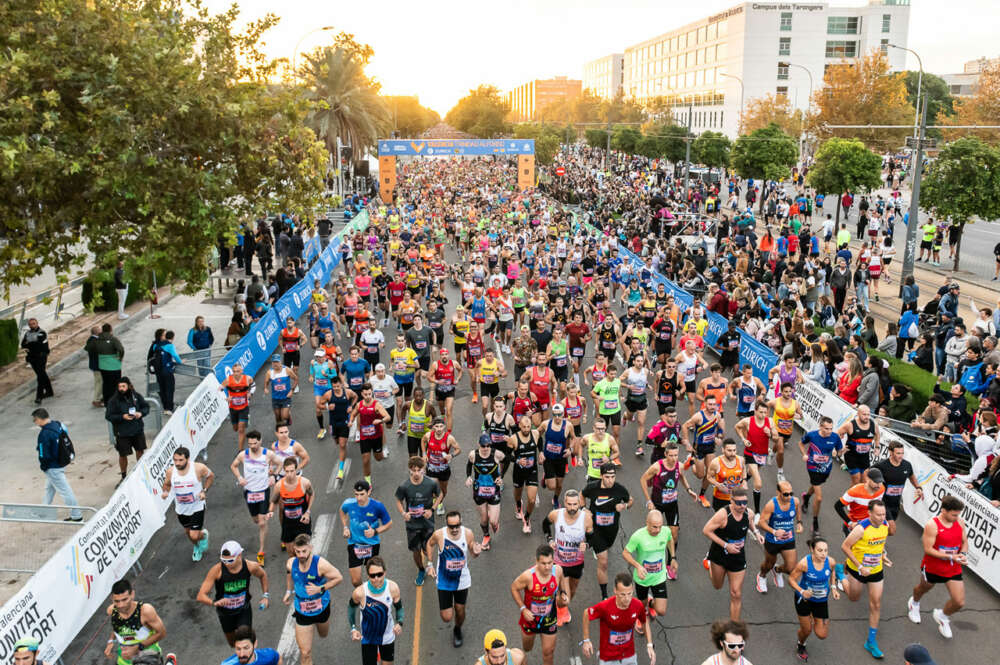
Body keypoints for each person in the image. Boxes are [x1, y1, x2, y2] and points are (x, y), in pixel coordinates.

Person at [907, 494, 968, 639]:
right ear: (944, 511)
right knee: (923, 589)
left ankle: (943, 616)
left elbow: (964, 541)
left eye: (958, 514)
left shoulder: (960, 522)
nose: (956, 517)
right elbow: (928, 549)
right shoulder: (932, 525)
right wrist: (950, 556)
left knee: (959, 602)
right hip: (933, 567)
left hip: (953, 568)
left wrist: (963, 553)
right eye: (954, 514)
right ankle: (914, 603)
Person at [841, 500, 892, 659]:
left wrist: (883, 556)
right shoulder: (861, 529)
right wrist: (859, 566)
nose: (881, 517)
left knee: (876, 603)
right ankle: (841, 576)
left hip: (876, 569)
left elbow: (880, 544)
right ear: (869, 513)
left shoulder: (885, 525)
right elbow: (845, 546)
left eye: (883, 514)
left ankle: (870, 641)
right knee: (854, 597)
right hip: (857, 569)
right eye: (878, 514)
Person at [703, 488, 764, 621]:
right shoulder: (723, 515)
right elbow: (706, 530)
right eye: (739, 503)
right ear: (731, 501)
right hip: (719, 555)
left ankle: (734, 627)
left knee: (736, 593)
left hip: (738, 557)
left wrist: (757, 533)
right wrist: (726, 545)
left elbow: (750, 523)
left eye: (745, 502)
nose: (742, 506)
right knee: (717, 585)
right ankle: (710, 563)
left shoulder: (749, 513)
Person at [195, 541, 269, 647]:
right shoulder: (217, 570)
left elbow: (263, 575)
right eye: (223, 560)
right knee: (233, 643)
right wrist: (214, 602)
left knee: (245, 640)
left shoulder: (250, 566)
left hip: (244, 609)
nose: (227, 563)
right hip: (225, 613)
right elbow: (200, 595)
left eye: (230, 560)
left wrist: (265, 596)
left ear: (239, 555)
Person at [425, 510, 482, 647]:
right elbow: (429, 544)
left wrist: (476, 551)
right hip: (444, 580)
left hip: (461, 580)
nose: (455, 529)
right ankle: (449, 607)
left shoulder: (467, 533)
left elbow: (472, 552)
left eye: (457, 525)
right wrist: (429, 564)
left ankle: (457, 629)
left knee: (460, 610)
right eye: (452, 526)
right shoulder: (439, 535)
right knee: (446, 617)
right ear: (447, 525)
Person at [284, 533, 342, 665]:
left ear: (310, 548)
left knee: (323, 634)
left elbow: (339, 577)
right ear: (294, 549)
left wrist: (321, 588)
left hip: (321, 608)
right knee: (305, 652)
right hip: (302, 611)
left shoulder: (320, 564)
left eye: (304, 551)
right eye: (298, 551)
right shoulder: (291, 563)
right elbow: (289, 573)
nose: (301, 555)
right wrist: (288, 591)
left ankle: (317, 626)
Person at [509, 544, 570, 665]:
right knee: (527, 648)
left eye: (550, 562)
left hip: (549, 618)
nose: (547, 567)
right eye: (543, 563)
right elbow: (514, 588)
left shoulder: (557, 570)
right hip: (530, 619)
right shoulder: (528, 576)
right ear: (536, 561)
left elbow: (561, 579)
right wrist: (523, 609)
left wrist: (563, 593)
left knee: (549, 652)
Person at [543, 489, 593, 625]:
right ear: (564, 503)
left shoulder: (586, 518)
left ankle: (561, 603)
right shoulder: (556, 514)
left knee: (573, 589)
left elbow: (591, 536)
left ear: (579, 504)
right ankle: (560, 607)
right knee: (565, 597)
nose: (572, 508)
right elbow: (545, 524)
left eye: (575, 504)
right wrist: (550, 539)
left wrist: (587, 544)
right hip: (560, 563)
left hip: (577, 563)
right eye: (569, 504)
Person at [582, 463, 632, 598]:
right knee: (603, 562)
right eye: (607, 477)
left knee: (607, 548)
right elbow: (582, 495)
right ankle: (604, 595)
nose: (610, 480)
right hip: (595, 529)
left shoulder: (619, 489)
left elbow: (630, 500)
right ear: (601, 476)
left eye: (613, 477)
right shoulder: (592, 487)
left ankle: (600, 549)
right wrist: (583, 508)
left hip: (612, 530)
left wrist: (624, 505)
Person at [581, 572, 654, 665]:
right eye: (622, 594)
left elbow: (644, 622)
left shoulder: (638, 605)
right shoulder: (605, 607)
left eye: (629, 593)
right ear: (615, 590)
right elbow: (586, 613)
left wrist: (649, 645)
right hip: (608, 656)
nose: (627, 598)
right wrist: (586, 640)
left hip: (628, 655)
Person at [230, 431, 278, 564]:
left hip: (263, 491)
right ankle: (260, 521)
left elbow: (279, 463)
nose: (252, 446)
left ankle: (261, 551)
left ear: (260, 441)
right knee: (256, 520)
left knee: (262, 523)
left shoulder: (267, 454)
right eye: (250, 443)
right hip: (249, 492)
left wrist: (273, 475)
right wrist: (239, 477)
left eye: (255, 443)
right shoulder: (243, 455)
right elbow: (233, 466)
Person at [788, 536, 840, 662]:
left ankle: (814, 616)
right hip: (804, 599)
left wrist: (833, 587)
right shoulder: (804, 564)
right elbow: (791, 579)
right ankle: (801, 644)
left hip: (821, 601)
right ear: (812, 550)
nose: (823, 554)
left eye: (826, 550)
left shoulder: (830, 561)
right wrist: (802, 591)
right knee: (807, 630)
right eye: (820, 550)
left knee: (822, 634)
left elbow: (833, 571)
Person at [161, 446, 214, 561]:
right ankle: (196, 546)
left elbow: (210, 476)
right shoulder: (171, 471)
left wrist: (204, 491)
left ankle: (203, 536)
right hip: (181, 509)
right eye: (175, 460)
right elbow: (167, 484)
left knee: (193, 535)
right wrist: (165, 492)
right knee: (188, 532)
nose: (177, 463)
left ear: (188, 459)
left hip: (197, 506)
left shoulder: (198, 468)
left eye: (180, 460)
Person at [394, 456, 441, 586]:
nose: (416, 473)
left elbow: (440, 494)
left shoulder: (430, 483)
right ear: (409, 470)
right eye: (413, 470)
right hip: (412, 525)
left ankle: (431, 566)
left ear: (423, 470)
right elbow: (398, 500)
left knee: (428, 548)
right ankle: (421, 570)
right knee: (416, 551)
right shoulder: (404, 486)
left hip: (427, 523)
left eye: (418, 470)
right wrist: (404, 513)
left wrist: (432, 509)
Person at [349, 556, 403, 665]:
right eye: (372, 576)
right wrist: (353, 629)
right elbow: (351, 608)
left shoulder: (393, 588)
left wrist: (400, 623)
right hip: (368, 638)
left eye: (380, 574)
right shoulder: (360, 592)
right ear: (368, 575)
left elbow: (399, 608)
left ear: (385, 572)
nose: (376, 578)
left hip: (387, 636)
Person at [339, 479, 393, 587]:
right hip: (354, 544)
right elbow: (342, 511)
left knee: (373, 578)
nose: (359, 498)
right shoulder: (349, 503)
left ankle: (372, 596)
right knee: (355, 581)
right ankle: (364, 594)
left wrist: (375, 531)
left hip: (372, 544)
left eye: (362, 494)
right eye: (356, 494)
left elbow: (389, 523)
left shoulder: (378, 506)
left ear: (368, 492)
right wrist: (345, 527)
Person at [623, 509, 675, 620]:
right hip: (643, 578)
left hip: (659, 577)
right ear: (647, 523)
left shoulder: (665, 531)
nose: (658, 530)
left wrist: (673, 557)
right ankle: (642, 614)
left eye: (660, 526)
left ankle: (651, 603)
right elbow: (625, 553)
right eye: (654, 527)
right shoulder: (638, 536)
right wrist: (637, 566)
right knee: (642, 605)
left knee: (661, 611)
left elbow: (670, 540)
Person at [31, 408, 82, 521]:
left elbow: (43, 454)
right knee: (49, 488)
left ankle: (77, 515)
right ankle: (44, 511)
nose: (35, 422)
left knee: (65, 491)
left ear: (39, 419)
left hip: (53, 467)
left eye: (35, 420)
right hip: (61, 461)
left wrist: (43, 467)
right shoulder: (58, 424)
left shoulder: (44, 434)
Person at [104, 579, 167, 665]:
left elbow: (162, 633)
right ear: (112, 598)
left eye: (124, 599)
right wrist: (110, 641)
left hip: (148, 654)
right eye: (117, 601)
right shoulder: (111, 610)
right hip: (125, 657)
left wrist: (136, 648)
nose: (121, 605)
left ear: (132, 594)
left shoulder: (145, 611)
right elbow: (117, 627)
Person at [755, 481, 803, 594]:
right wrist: (774, 531)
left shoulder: (795, 501)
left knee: (791, 568)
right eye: (786, 494)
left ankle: (777, 570)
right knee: (768, 564)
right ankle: (761, 576)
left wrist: (799, 522)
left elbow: (798, 510)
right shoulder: (771, 505)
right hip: (773, 540)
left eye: (791, 493)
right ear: (778, 492)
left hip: (788, 539)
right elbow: (761, 522)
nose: (789, 496)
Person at [798, 417, 844, 534]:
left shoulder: (835, 437)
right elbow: (801, 443)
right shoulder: (812, 435)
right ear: (820, 426)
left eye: (831, 429)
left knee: (815, 485)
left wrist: (840, 452)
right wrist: (804, 454)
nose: (829, 431)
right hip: (812, 466)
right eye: (826, 429)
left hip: (826, 468)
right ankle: (815, 522)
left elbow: (839, 452)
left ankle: (807, 496)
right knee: (819, 497)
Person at [681, 394, 725, 508]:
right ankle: (692, 461)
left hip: (710, 447)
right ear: (705, 404)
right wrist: (687, 443)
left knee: (710, 473)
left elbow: (720, 429)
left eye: (714, 404)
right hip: (698, 448)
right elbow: (685, 426)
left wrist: (719, 437)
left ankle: (702, 495)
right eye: (710, 404)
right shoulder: (698, 416)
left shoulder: (717, 415)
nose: (712, 406)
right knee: (701, 475)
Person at [105, 377, 150, 485]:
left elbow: (146, 407)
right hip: (122, 433)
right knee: (122, 455)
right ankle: (124, 476)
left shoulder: (136, 396)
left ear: (129, 386)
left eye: (123, 386)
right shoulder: (113, 400)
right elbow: (109, 416)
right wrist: (122, 416)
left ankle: (140, 473)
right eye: (119, 386)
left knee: (140, 451)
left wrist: (141, 413)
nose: (121, 389)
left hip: (137, 430)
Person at [874, 441, 923, 536]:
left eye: (902, 453)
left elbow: (912, 477)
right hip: (882, 502)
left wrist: (918, 487)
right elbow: (868, 473)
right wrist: (874, 486)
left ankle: (875, 540)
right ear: (890, 452)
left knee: (884, 527)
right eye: (898, 453)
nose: (901, 456)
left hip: (896, 503)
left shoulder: (907, 465)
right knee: (891, 529)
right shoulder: (882, 465)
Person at [733, 403, 774, 514]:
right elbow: (737, 427)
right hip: (750, 453)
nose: (763, 414)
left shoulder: (769, 422)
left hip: (762, 454)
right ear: (755, 411)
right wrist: (743, 439)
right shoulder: (748, 421)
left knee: (751, 472)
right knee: (758, 483)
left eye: (765, 412)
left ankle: (739, 482)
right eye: (761, 412)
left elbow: (776, 437)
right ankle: (756, 512)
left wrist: (770, 434)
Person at [467, 433, 505, 550]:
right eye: (483, 446)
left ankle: (494, 524)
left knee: (493, 521)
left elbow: (507, 460)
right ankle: (486, 536)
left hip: (494, 491)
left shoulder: (497, 454)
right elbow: (469, 465)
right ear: (479, 445)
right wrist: (468, 477)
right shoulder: (473, 454)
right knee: (484, 519)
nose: (486, 448)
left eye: (488, 446)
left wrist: (501, 476)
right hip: (479, 491)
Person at [269, 457, 314, 551]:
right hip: (288, 523)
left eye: (292, 471)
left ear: (296, 470)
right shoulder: (279, 486)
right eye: (287, 471)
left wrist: (307, 512)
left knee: (304, 551)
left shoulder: (305, 482)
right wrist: (270, 511)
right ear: (284, 471)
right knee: (291, 553)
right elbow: (274, 501)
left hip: (303, 522)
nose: (289, 474)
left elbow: (312, 494)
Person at [835, 468, 886, 536]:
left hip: (870, 525)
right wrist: (850, 523)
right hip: (855, 526)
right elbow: (837, 506)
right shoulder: (854, 492)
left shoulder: (881, 489)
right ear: (867, 479)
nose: (879, 485)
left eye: (880, 482)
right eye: (876, 482)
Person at [837, 405, 879, 485]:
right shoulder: (850, 425)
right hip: (851, 455)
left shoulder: (874, 425)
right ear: (858, 414)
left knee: (864, 482)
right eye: (864, 414)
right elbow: (836, 434)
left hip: (864, 456)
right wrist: (840, 447)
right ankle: (845, 498)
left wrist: (877, 447)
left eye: (868, 414)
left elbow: (877, 435)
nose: (866, 417)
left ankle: (854, 497)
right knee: (856, 480)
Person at [220, 363, 255, 450]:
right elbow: (219, 389)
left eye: (238, 371)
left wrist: (251, 393)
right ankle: (245, 420)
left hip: (244, 407)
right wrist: (225, 398)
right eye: (234, 371)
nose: (236, 373)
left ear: (242, 371)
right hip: (233, 408)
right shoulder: (228, 380)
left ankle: (240, 451)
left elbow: (253, 386)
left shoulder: (247, 379)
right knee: (235, 428)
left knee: (241, 430)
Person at [20, 318, 52, 405]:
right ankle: (49, 392)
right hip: (32, 358)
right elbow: (23, 345)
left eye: (33, 323)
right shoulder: (27, 333)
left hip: (41, 357)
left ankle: (39, 397)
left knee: (40, 377)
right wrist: (32, 344)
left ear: (37, 323)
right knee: (42, 375)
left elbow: (40, 345)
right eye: (30, 324)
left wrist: (29, 344)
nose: (32, 325)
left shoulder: (42, 332)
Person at [94, 323, 126, 405]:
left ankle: (107, 400)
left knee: (106, 383)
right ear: (110, 330)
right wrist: (120, 358)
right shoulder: (113, 339)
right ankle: (116, 400)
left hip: (102, 365)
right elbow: (121, 349)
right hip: (114, 365)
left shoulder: (97, 340)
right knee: (115, 384)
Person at [265, 355, 297, 425]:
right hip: (275, 398)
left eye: (277, 362)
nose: (275, 364)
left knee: (284, 416)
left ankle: (288, 417)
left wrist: (292, 390)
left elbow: (296, 379)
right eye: (274, 362)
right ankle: (280, 432)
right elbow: (267, 381)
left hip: (286, 397)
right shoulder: (269, 372)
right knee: (278, 417)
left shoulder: (287, 370)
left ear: (280, 362)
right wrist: (266, 388)